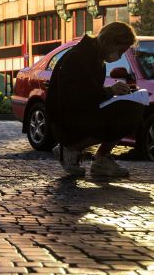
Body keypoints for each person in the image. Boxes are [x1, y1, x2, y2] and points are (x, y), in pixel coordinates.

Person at [46, 21, 144, 179]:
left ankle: (100, 158)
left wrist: (113, 94)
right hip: (66, 121)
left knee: (133, 107)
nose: (119, 56)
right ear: (110, 42)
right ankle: (71, 148)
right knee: (128, 111)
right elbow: (77, 98)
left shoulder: (93, 58)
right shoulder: (80, 58)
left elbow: (89, 95)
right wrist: (110, 92)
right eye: (120, 51)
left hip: (75, 115)